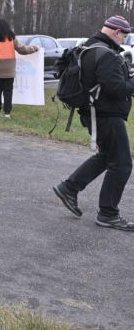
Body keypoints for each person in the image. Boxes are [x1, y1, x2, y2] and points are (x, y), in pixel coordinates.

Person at [53, 15, 134, 231]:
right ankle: (108, 213)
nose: (125, 40)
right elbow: (117, 88)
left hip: (96, 114)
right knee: (122, 164)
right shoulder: (105, 54)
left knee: (107, 157)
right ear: (117, 33)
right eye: (124, 36)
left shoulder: (89, 46)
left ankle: (69, 188)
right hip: (106, 115)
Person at [0, 19, 38, 118]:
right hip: (9, 71)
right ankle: (7, 113)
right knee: (8, 91)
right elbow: (22, 50)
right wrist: (34, 48)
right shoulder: (11, 38)